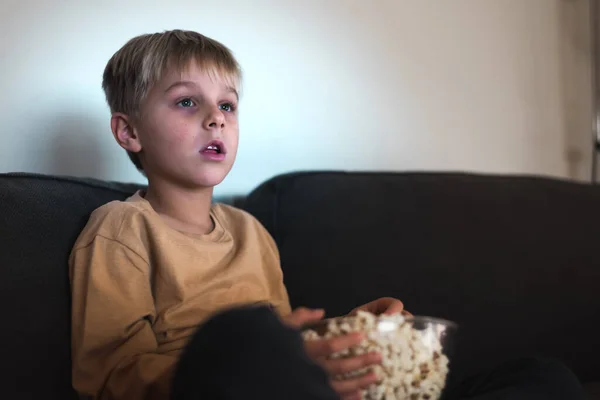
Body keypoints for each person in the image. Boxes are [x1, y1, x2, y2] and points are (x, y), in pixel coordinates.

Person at [69, 29, 586, 400]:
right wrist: (263, 351)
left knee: (543, 376)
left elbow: (294, 343)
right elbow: (109, 377)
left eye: (227, 106)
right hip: (216, 379)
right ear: (129, 132)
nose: (215, 119)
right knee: (242, 335)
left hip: (288, 381)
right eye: (186, 102)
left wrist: (351, 331)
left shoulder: (252, 232)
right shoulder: (121, 229)